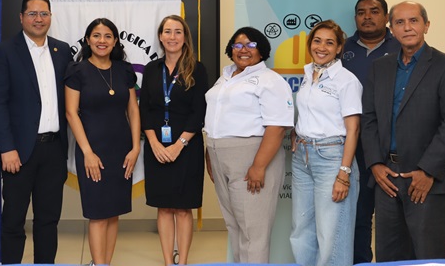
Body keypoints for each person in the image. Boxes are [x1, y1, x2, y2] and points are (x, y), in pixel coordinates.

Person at [361, 1, 445, 261]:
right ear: (392, 29)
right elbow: (369, 119)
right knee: (389, 257)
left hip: (427, 181)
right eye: (399, 22)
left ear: (426, 26)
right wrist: (375, 164)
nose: (407, 27)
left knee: (427, 257)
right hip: (386, 178)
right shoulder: (380, 67)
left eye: (413, 21)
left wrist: (428, 171)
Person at [0, 0, 72, 264]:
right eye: (33, 14)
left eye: (44, 13)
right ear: (21, 17)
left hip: (54, 151)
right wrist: (7, 148)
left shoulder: (62, 51)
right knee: (13, 220)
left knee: (48, 220)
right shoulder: (4, 51)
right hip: (19, 152)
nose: (39, 19)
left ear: (51, 17)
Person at [204, 26, 293, 263]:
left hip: (252, 157)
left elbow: (277, 127)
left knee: (254, 232)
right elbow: (215, 117)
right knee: (235, 226)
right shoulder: (225, 77)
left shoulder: (269, 80)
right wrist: (209, 156)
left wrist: (259, 166)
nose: (243, 50)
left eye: (250, 45)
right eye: (238, 45)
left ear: (261, 50)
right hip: (219, 155)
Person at [65, 18, 141, 266]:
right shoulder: (76, 71)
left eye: (108, 36)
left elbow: (133, 110)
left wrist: (135, 147)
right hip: (92, 149)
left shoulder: (124, 70)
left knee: (114, 211)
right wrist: (87, 152)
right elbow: (71, 112)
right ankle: (99, 264)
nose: (102, 41)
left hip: (121, 149)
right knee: (98, 213)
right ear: (87, 40)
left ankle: (105, 263)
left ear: (115, 41)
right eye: (96, 35)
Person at [290, 20, 361, 266]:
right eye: (317, 41)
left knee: (332, 232)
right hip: (303, 157)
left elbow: (353, 129)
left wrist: (344, 172)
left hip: (332, 158)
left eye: (330, 42)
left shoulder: (346, 80)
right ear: (310, 44)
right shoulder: (309, 73)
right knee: (301, 228)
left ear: (339, 47)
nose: (322, 47)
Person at [140, 15, 208, 266]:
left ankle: (183, 262)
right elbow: (144, 109)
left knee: (182, 207)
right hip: (156, 147)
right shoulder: (151, 70)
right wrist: (155, 143)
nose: (172, 37)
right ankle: (168, 261)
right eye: (167, 32)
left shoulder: (197, 69)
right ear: (160, 36)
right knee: (164, 206)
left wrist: (179, 145)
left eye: (177, 32)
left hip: (187, 147)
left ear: (185, 37)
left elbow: (199, 111)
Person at [341, 0, 400, 264]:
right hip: (353, 143)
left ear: (386, 17)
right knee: (358, 213)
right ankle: (360, 261)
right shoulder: (342, 48)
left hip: (392, 144)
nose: (367, 16)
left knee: (393, 213)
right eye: (361, 12)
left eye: (374, 11)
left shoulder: (402, 47)